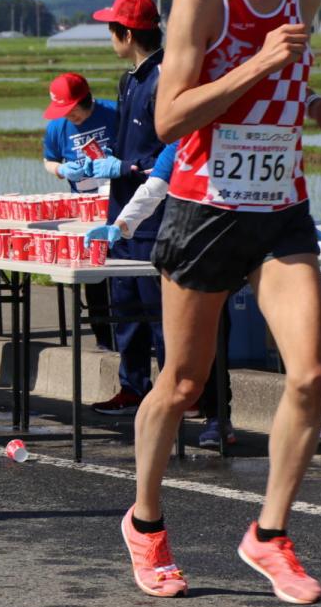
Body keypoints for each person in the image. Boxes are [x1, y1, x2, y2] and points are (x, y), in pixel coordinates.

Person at [121, 0, 321, 605]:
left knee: (312, 375)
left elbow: (284, 85)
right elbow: (169, 118)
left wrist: (316, 106)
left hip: (280, 205)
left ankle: (269, 534)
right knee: (184, 384)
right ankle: (146, 519)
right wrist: (261, 63)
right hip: (205, 207)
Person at [85, 143, 237, 449]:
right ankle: (149, 484)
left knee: (220, 336)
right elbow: (153, 188)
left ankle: (219, 418)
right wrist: (122, 224)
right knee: (183, 365)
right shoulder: (182, 143)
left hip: (238, 244)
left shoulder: (245, 134)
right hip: (193, 253)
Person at [84, 0, 167, 417]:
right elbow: (125, 144)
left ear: (128, 33)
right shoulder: (130, 78)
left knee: (159, 311)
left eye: (111, 29)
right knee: (126, 305)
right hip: (120, 212)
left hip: (153, 214)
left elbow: (172, 153)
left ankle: (174, 395)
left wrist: (128, 168)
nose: (108, 37)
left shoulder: (165, 78)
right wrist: (101, 163)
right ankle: (132, 386)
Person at [41, 71, 117, 352]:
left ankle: (132, 335)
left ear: (86, 101)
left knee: (123, 274)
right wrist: (61, 169)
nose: (68, 117)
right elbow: (49, 160)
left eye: (72, 111)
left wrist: (116, 162)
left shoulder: (114, 112)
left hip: (118, 205)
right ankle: (103, 339)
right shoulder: (57, 127)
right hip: (85, 212)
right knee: (94, 276)